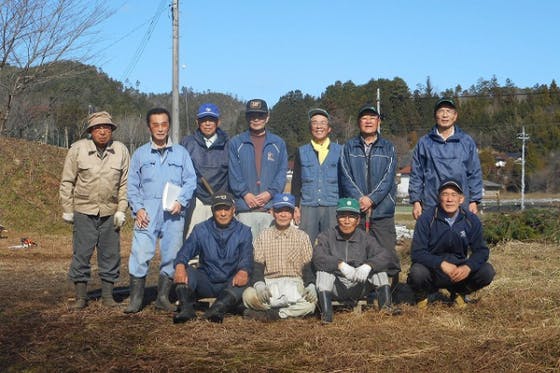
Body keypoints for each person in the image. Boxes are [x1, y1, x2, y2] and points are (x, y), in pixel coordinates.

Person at [125, 107, 196, 313]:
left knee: (172, 254)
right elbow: (132, 186)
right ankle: (136, 299)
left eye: (164, 124)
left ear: (169, 126)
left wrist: (181, 201)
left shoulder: (181, 154)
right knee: (140, 253)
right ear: (149, 127)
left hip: (173, 212)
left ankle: (163, 297)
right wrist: (138, 209)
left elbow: (191, 180)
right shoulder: (140, 154)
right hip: (147, 210)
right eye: (155, 124)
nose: (160, 129)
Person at [59, 111, 130, 309]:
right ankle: (81, 297)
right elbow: (67, 181)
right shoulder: (77, 149)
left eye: (106, 128)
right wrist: (68, 208)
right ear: (90, 131)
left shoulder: (121, 150)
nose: (102, 132)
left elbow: (125, 184)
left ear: (111, 131)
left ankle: (108, 296)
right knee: (81, 253)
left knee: (110, 254)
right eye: (97, 128)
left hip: (110, 212)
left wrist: (121, 210)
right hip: (84, 210)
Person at [407, 179, 495, 308]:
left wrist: (468, 267)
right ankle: (422, 295)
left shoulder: (471, 220)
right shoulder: (426, 219)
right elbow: (417, 252)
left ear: (461, 199)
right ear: (439, 198)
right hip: (433, 270)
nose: (449, 199)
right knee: (417, 272)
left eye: (454, 195)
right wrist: (440, 263)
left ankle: (459, 293)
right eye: (445, 194)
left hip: (458, 271)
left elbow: (482, 251)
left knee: (487, 271)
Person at [312, 198, 401, 323]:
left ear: (358, 220)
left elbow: (385, 255)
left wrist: (369, 265)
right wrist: (339, 264)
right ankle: (326, 314)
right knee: (323, 272)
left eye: (351, 217)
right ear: (337, 218)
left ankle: (386, 308)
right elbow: (317, 257)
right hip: (336, 287)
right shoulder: (326, 236)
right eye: (343, 216)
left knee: (379, 270)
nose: (347, 221)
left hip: (359, 286)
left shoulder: (365, 237)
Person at [172, 192, 253, 323]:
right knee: (184, 269)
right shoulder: (201, 229)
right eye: (218, 209)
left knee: (247, 277)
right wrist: (180, 265)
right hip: (206, 280)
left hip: (230, 282)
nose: (222, 213)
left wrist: (243, 271)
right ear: (212, 210)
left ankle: (218, 308)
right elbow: (185, 252)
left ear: (233, 210)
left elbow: (246, 257)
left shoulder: (244, 231)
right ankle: (186, 308)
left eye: (226, 209)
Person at [242, 193, 317, 321]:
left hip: (295, 282)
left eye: (287, 211)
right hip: (270, 282)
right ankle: (287, 312)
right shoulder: (263, 235)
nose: (283, 215)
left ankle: (272, 314)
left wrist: (310, 285)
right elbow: (258, 265)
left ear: (293, 213)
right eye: (279, 211)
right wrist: (259, 284)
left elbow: (307, 266)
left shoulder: (302, 236)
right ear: (273, 212)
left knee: (310, 304)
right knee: (247, 296)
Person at [409, 97, 483, 220]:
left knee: (461, 238)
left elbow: (474, 173)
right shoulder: (424, 143)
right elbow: (417, 174)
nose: (444, 115)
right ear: (435, 116)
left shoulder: (466, 141)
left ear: (455, 116)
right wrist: (416, 201)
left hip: (461, 204)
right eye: (441, 111)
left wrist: (474, 200)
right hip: (432, 203)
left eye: (448, 111)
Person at [339, 103, 398, 257]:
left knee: (386, 255)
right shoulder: (348, 147)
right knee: (356, 254)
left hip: (382, 210)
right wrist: (360, 199)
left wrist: (372, 199)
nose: (368, 121)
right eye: (364, 118)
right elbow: (345, 176)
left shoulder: (388, 147)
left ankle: (389, 282)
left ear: (379, 121)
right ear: (359, 122)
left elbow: (388, 177)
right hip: (356, 210)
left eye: (372, 118)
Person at [228, 98, 288, 239]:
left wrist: (270, 193)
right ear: (247, 117)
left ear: (267, 117)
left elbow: (281, 173)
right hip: (244, 209)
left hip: (269, 209)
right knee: (245, 254)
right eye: (252, 115)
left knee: (269, 257)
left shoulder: (278, 143)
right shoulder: (236, 142)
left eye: (260, 115)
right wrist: (245, 193)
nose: (256, 119)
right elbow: (233, 173)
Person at [291, 108, 341, 245]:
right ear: (310, 127)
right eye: (314, 123)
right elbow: (296, 181)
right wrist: (295, 206)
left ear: (329, 128)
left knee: (332, 244)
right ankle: (307, 268)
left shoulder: (340, 151)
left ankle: (331, 267)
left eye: (323, 123)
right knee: (305, 245)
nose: (319, 126)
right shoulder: (301, 151)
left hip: (332, 205)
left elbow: (345, 181)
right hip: (308, 206)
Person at [180, 103, 229, 237]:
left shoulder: (228, 144)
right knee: (194, 243)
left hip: (220, 203)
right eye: (203, 120)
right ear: (197, 122)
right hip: (196, 202)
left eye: (211, 120)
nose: (207, 124)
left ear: (218, 122)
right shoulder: (186, 143)